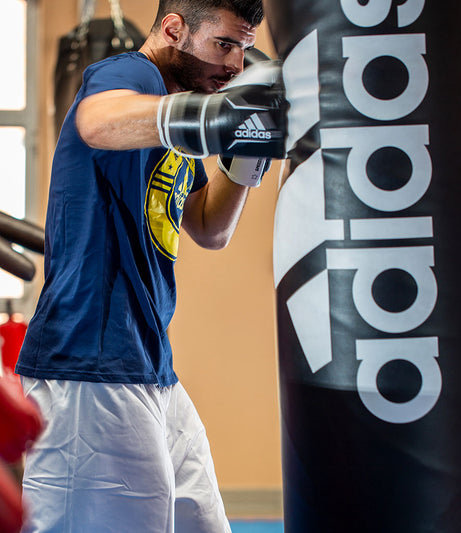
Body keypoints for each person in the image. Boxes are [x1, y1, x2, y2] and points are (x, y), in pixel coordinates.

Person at [15, 1, 284, 531]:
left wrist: (247, 153)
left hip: (151, 365)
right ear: (174, 29)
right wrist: (216, 118)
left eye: (245, 49)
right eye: (224, 44)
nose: (234, 65)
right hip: (89, 366)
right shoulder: (132, 75)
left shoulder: (181, 117)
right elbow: (95, 122)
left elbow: (210, 228)